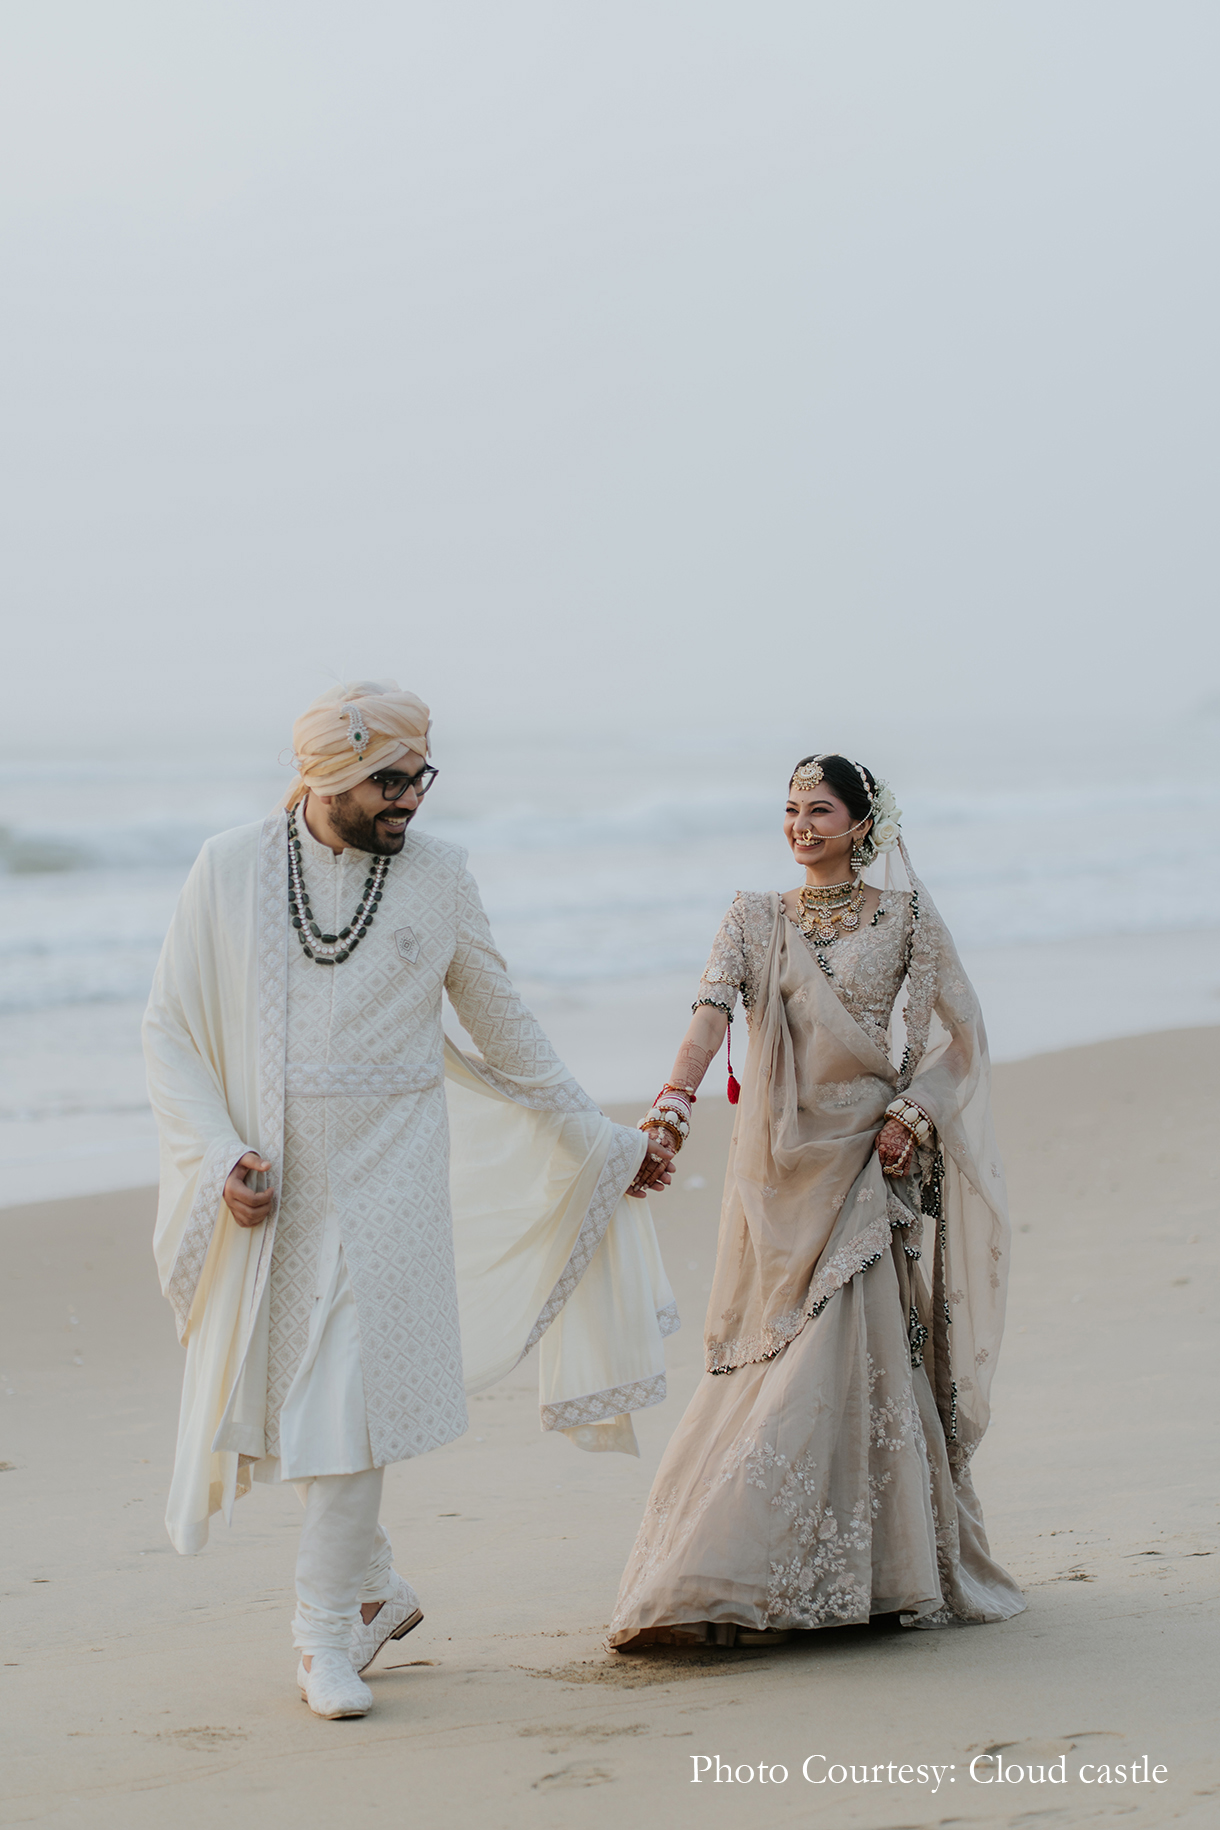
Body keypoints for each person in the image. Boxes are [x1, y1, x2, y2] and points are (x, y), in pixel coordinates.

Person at [144, 681, 677, 1719]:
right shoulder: (229, 868)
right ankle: (375, 1587)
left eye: (419, 777)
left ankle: (321, 1638)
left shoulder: (440, 877)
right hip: (275, 1184)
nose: (410, 799)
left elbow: (506, 1030)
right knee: (302, 1404)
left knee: (348, 1400)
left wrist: (605, 1143)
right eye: (388, 781)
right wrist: (217, 1156)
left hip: (392, 1180)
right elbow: (169, 1029)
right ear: (325, 776)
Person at [609, 752, 1025, 1648]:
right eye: (791, 809)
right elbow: (710, 1014)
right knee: (779, 1351)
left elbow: (963, 1038)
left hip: (869, 1158)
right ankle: (730, 1568)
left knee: (849, 1350)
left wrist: (915, 1113)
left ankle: (859, 1577)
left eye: (820, 810)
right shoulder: (754, 916)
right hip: (780, 1168)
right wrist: (673, 1104)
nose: (801, 826)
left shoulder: (908, 918)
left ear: (861, 824)